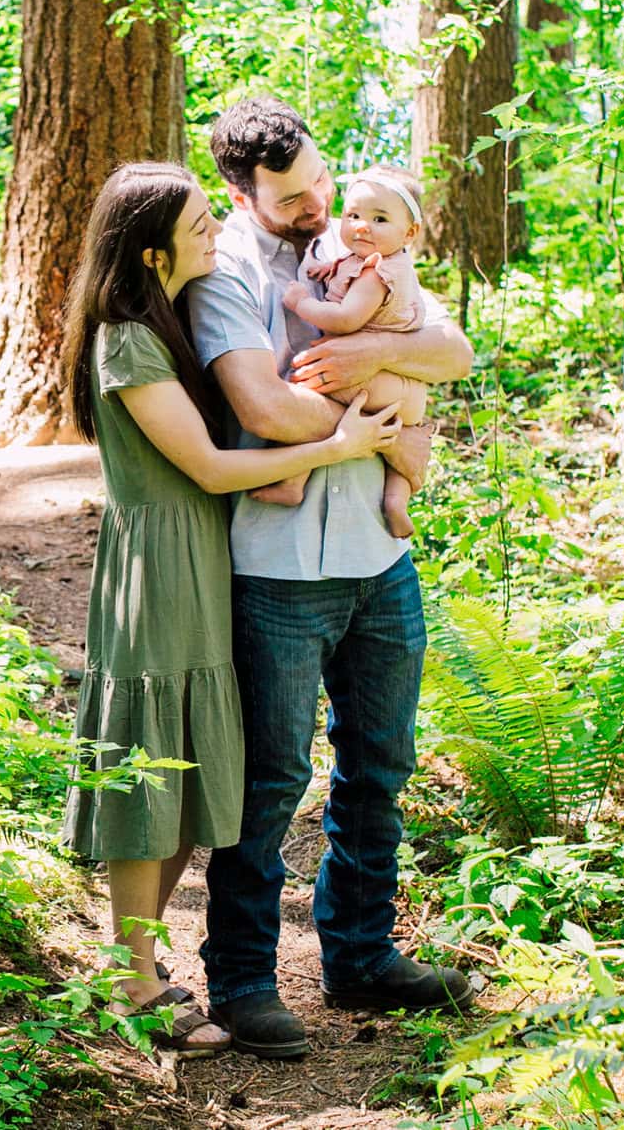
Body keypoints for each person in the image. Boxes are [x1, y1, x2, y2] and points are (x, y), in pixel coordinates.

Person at [58, 160, 405, 1057]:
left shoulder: (164, 324)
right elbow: (211, 467)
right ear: (151, 247)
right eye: (201, 220)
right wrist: (340, 445)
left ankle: (139, 969)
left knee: (180, 767)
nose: (217, 230)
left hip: (201, 560)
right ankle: (131, 979)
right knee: (148, 766)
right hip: (161, 566)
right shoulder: (126, 339)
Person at [184, 99, 476, 1061]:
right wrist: (369, 422)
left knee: (379, 768)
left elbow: (453, 352)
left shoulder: (362, 250)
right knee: (270, 780)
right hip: (277, 568)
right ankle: (241, 981)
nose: (319, 201)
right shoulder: (223, 270)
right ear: (243, 191)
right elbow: (261, 407)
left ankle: (359, 952)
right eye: (293, 193)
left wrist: (371, 357)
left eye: (321, 178)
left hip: (379, 560)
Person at [253, 166, 432, 538]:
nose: (361, 226)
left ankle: (293, 481)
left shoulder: (377, 273)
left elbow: (346, 319)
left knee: (308, 390)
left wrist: (302, 302)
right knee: (403, 440)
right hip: (407, 393)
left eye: (379, 218)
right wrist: (326, 269)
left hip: (370, 381)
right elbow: (346, 271)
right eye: (353, 215)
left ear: (409, 233)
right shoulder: (375, 260)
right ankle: (397, 501)